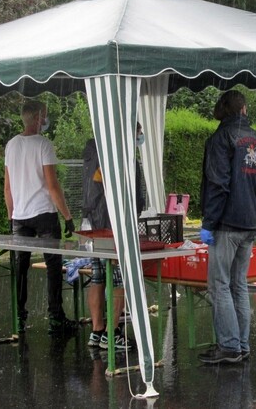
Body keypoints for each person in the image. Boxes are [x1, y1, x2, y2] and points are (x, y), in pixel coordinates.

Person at [198, 90, 256, 364]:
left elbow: (218, 184)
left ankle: (228, 347)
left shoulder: (221, 139)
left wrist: (209, 223)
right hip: (251, 221)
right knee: (239, 284)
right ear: (243, 109)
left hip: (227, 223)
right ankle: (241, 345)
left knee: (219, 284)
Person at [4, 100, 77, 335]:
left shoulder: (11, 145)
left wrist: (10, 216)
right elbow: (52, 185)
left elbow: (7, 187)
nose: (46, 120)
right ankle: (56, 317)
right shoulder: (44, 145)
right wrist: (67, 216)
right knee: (53, 265)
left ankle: (18, 317)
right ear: (37, 118)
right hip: (44, 213)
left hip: (20, 216)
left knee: (20, 266)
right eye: (44, 115)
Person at [82, 122, 146, 351]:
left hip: (92, 221)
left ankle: (97, 331)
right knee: (119, 279)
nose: (141, 137)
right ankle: (112, 332)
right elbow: (135, 197)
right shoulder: (124, 154)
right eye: (139, 133)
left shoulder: (93, 148)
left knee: (98, 276)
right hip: (114, 224)